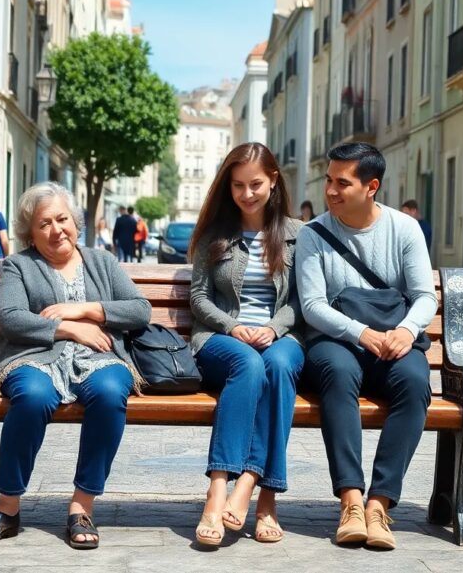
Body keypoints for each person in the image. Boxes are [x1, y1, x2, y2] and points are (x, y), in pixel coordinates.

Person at [0, 183, 151, 550]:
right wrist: (67, 328)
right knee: (32, 396)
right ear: (30, 233)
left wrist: (85, 309)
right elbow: (11, 317)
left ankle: (82, 507)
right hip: (35, 356)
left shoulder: (102, 262)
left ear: (75, 222)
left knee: (110, 392)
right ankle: (7, 508)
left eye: (62, 219)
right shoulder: (19, 265)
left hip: (98, 356)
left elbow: (140, 310)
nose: (56, 230)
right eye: (44, 223)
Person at [297, 142, 437, 550]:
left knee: (415, 381)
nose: (331, 190)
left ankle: (379, 504)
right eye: (329, 180)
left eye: (342, 183)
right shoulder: (313, 234)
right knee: (338, 372)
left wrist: (406, 332)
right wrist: (361, 333)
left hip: (393, 341)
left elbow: (424, 296)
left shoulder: (404, 229)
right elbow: (312, 306)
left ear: (371, 186)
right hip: (336, 341)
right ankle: (351, 502)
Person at [187, 143, 304, 546]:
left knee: (278, 366)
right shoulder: (215, 235)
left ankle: (259, 493)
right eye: (238, 185)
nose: (247, 193)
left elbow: (302, 300)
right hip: (220, 339)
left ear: (273, 181)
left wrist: (273, 328)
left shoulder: (298, 235)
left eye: (255, 184)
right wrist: (232, 326)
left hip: (281, 337)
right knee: (249, 365)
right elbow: (199, 298)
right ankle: (218, 490)